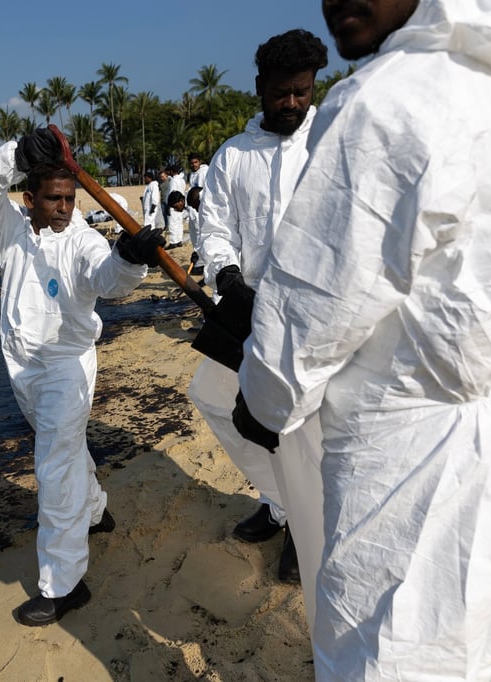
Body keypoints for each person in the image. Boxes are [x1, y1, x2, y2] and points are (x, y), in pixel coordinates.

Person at [235, 1, 491, 678]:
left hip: (411, 452)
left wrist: (261, 401)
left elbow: (315, 307)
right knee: (471, 633)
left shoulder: (386, 101)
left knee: (386, 651)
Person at [0, 127, 166, 627]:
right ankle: (95, 510)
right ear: (29, 199)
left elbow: (106, 278)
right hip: (20, 364)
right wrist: (17, 152)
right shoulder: (7, 228)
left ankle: (63, 584)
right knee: (65, 447)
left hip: (66, 367)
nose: (63, 208)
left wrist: (128, 259)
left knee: (52, 466)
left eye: (69, 199)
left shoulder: (82, 239)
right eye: (53, 199)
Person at [188, 28, 328, 589]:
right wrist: (224, 274)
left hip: (314, 317)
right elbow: (214, 226)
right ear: (259, 89)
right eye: (280, 93)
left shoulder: (329, 143)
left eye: (301, 91)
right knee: (212, 393)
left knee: (297, 429)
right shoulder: (233, 155)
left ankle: (304, 528)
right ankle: (279, 503)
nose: (291, 103)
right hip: (248, 309)